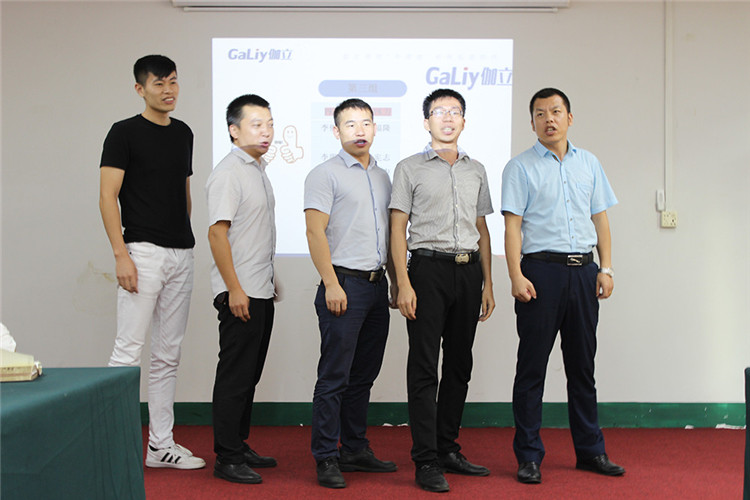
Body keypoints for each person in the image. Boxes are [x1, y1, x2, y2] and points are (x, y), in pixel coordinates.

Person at [501, 87, 624, 484]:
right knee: (532, 368)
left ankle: (591, 451)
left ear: (569, 118)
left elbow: (600, 219)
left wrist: (606, 268)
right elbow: (513, 226)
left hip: (584, 273)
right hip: (541, 274)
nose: (548, 119)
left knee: (582, 367)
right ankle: (529, 456)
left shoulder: (589, 163)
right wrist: (516, 275)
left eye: (555, 111)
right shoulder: (519, 168)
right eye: (540, 114)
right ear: (532, 123)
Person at [99, 54, 205, 470]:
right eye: (159, 83)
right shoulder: (123, 132)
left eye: (173, 81)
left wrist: (184, 238)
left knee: (167, 355)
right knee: (127, 352)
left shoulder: (183, 133)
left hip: (182, 252)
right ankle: (113, 448)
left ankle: (160, 445)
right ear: (140, 89)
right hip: (141, 252)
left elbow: (183, 191)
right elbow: (107, 196)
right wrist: (121, 255)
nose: (168, 90)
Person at [390, 88, 495, 493]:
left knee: (459, 364)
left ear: (464, 121)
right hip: (427, 271)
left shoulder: (476, 170)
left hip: (468, 272)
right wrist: (402, 282)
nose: (448, 118)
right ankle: (426, 459)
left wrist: (488, 282)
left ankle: (448, 448)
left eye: (455, 112)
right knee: (423, 366)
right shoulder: (409, 168)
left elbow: (482, 229)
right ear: (426, 121)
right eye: (439, 111)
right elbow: (398, 228)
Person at [304, 98, 397, 489]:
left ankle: (355, 449)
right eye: (350, 124)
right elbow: (314, 232)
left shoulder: (383, 176)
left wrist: (396, 282)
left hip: (377, 286)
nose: (360, 130)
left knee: (363, 376)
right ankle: (326, 455)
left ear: (375, 128)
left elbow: (390, 235)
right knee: (334, 377)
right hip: (343, 284)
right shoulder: (324, 174)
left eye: (366, 123)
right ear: (336, 131)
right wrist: (331, 283)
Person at [205, 94, 279, 484]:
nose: (266, 131)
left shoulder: (257, 170)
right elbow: (217, 234)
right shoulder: (229, 173)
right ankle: (227, 456)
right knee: (235, 376)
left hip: (259, 287)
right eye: (256, 124)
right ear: (234, 131)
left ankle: (238, 442)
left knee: (249, 374)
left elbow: (252, 233)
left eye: (269, 123)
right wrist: (234, 289)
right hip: (241, 293)